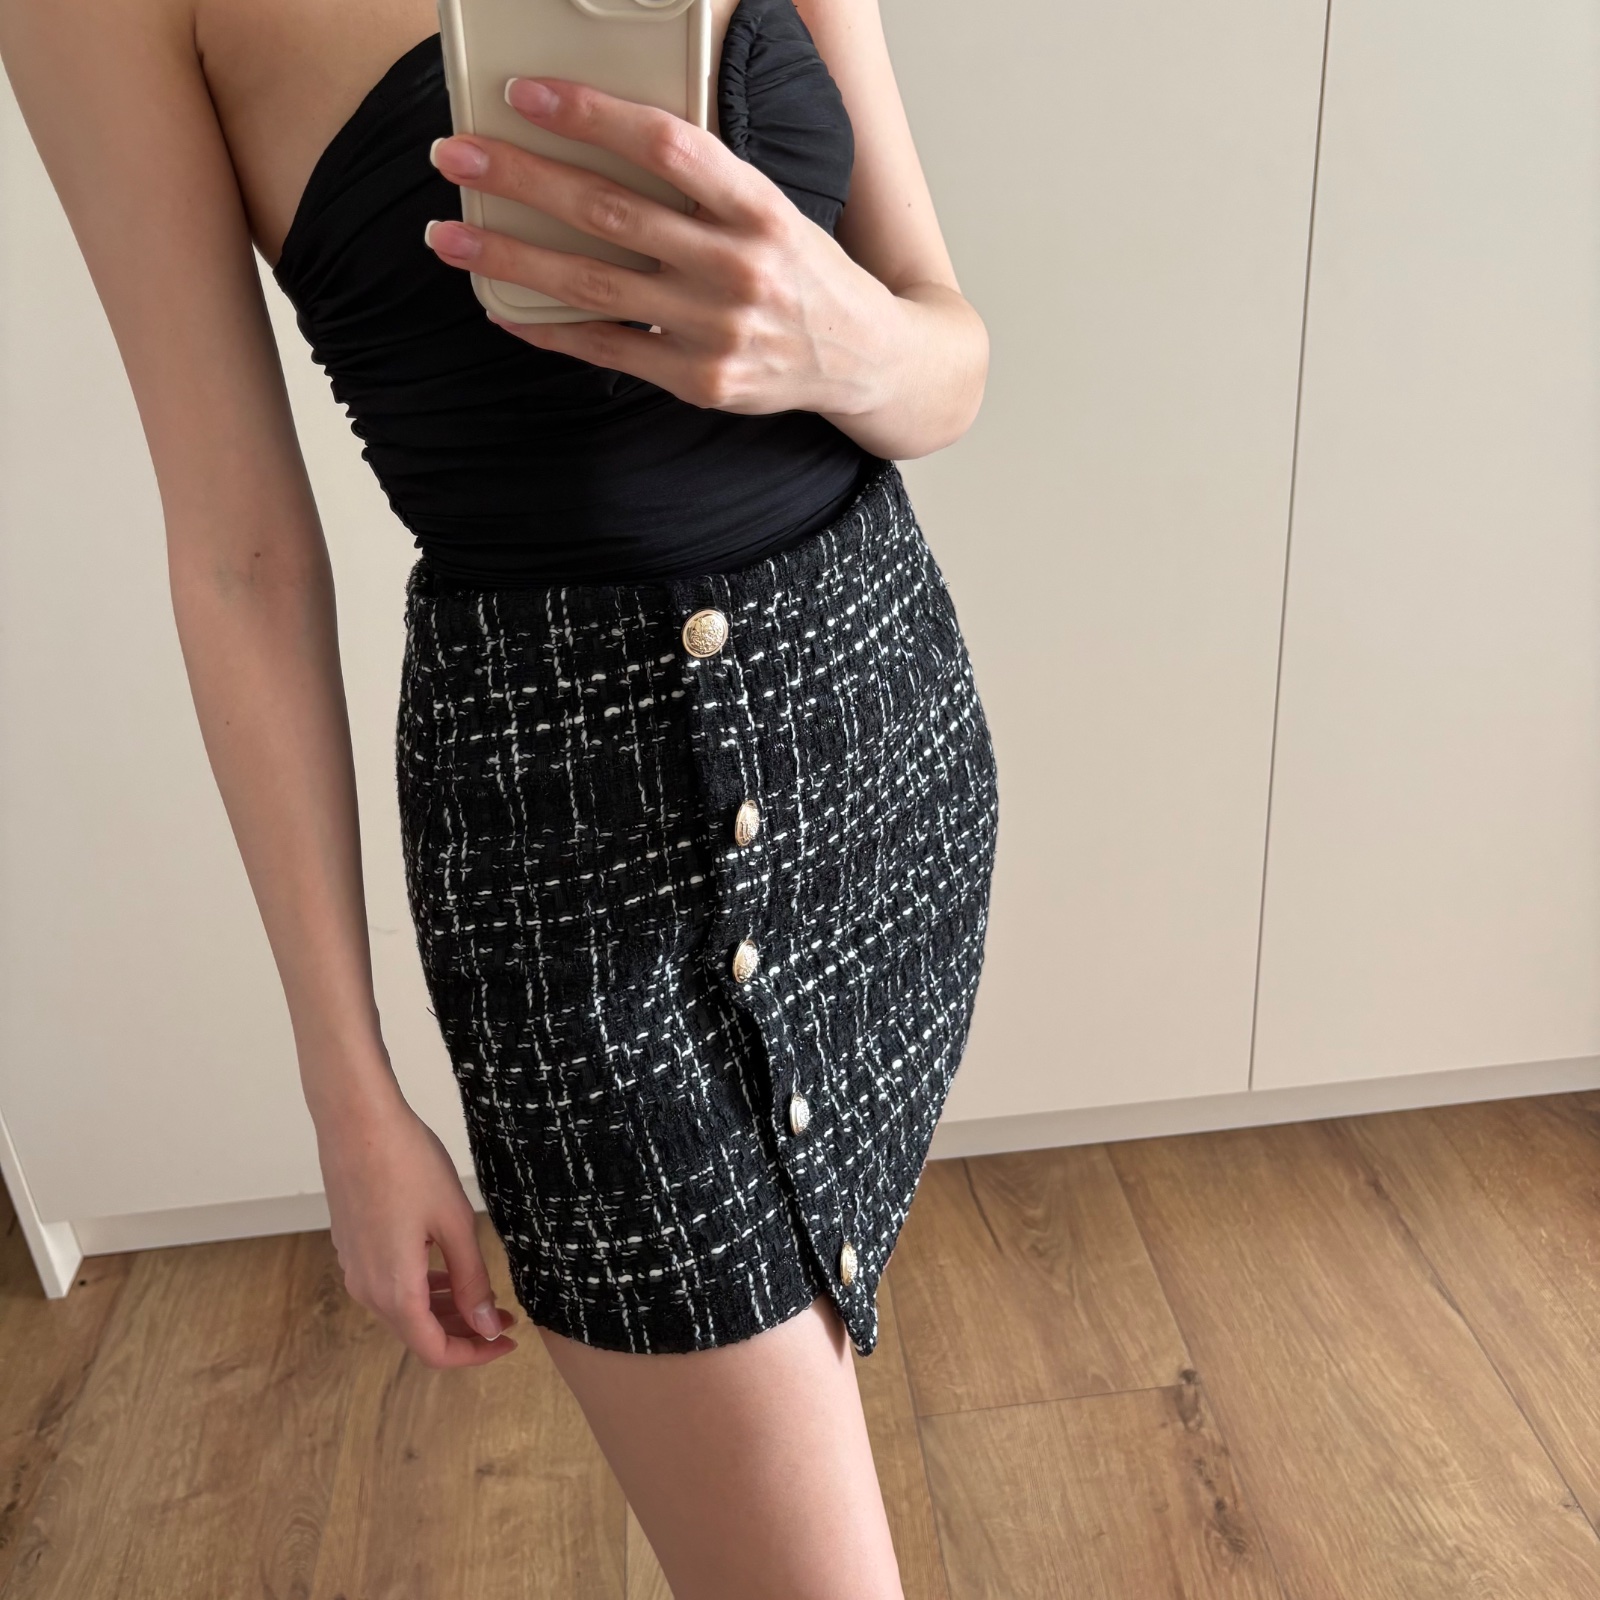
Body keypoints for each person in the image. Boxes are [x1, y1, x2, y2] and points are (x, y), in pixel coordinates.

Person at [0, 0, 999, 1592]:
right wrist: (347, 1087)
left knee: (812, 1371)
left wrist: (848, 341)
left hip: (888, 758)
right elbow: (241, 557)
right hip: (571, 870)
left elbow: (948, 355)